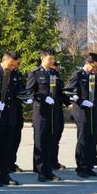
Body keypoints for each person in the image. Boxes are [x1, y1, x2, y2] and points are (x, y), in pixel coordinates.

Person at [0, 51, 29, 187]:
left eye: (16, 64)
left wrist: (24, 98)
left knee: (8, 147)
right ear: (5, 60)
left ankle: (5, 173)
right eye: (12, 64)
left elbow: (17, 92)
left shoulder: (15, 74)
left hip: (10, 116)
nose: (14, 66)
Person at [26, 47, 65, 182]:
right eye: (50, 59)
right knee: (41, 143)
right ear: (42, 58)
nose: (52, 61)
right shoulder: (35, 73)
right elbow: (30, 91)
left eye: (53, 58)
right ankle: (41, 172)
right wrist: (43, 98)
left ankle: (48, 171)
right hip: (41, 114)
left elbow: (59, 91)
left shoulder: (54, 73)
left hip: (54, 113)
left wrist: (68, 98)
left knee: (50, 143)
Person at [67, 53, 97, 178]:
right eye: (94, 67)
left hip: (93, 112)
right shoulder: (77, 75)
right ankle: (81, 167)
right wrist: (81, 101)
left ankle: (89, 167)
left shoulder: (94, 76)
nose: (95, 69)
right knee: (83, 141)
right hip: (82, 113)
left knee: (91, 140)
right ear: (88, 63)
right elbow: (70, 92)